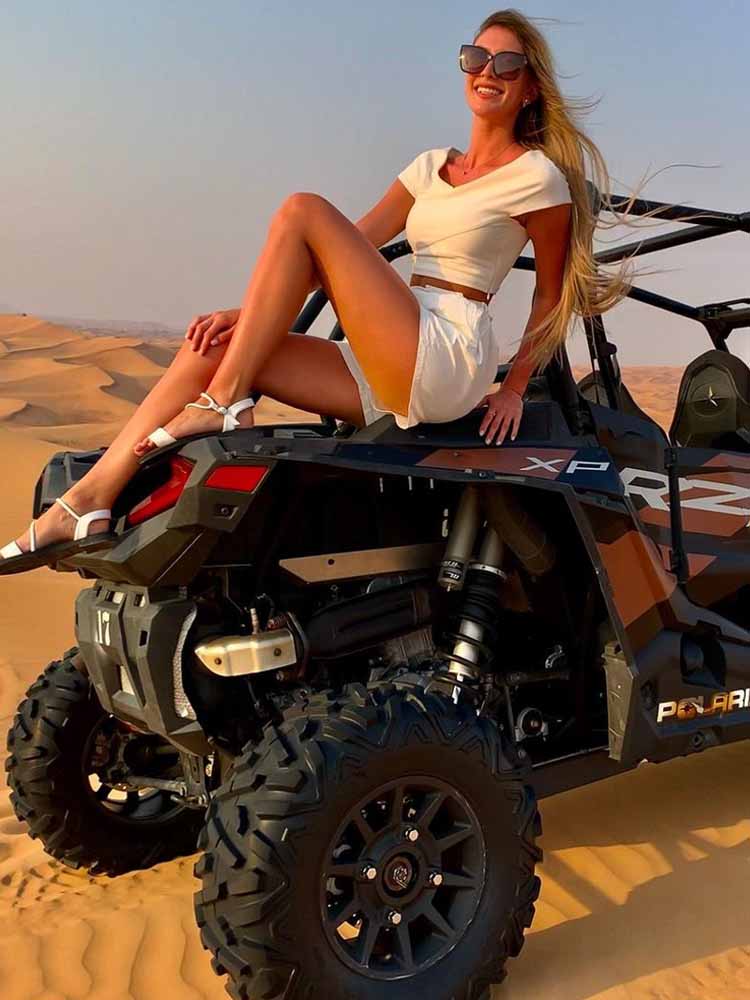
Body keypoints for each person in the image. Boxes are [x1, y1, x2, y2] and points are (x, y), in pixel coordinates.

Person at [1, 8, 633, 571]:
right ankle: (90, 499)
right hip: (384, 348)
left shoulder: (538, 178)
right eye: (474, 57)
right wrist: (248, 315)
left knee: (301, 209)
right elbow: (346, 248)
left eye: (507, 63)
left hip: (446, 350)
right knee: (217, 344)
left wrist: (516, 386)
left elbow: (552, 294)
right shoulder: (429, 167)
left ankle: (223, 402)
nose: (485, 71)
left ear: (530, 88)